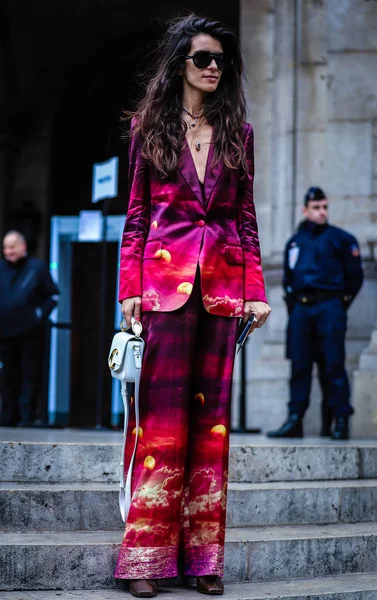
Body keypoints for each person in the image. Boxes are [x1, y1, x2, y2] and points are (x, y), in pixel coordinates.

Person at [116, 14, 271, 598]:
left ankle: (204, 560)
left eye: (220, 61)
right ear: (179, 62)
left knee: (211, 428)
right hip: (163, 285)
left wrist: (255, 291)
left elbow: (245, 220)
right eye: (202, 58)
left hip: (223, 289)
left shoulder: (239, 134)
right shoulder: (147, 128)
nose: (213, 68)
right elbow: (135, 219)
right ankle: (147, 560)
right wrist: (129, 288)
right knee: (159, 425)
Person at [267, 187, 363, 441]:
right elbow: (288, 279)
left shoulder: (342, 239)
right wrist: (296, 308)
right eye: (316, 208)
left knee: (333, 365)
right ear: (305, 210)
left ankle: (341, 420)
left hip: (330, 307)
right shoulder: (295, 242)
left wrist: (339, 306)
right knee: (299, 365)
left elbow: (355, 279)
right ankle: (295, 419)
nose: (322, 212)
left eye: (325, 207)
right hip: (301, 309)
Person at [0, 230, 59, 426]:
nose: (9, 251)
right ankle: (7, 416)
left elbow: (53, 296)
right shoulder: (1, 268)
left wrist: (38, 315)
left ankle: (27, 417)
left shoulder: (37, 268)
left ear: (22, 247)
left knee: (30, 374)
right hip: (4, 334)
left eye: (12, 247)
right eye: (6, 247)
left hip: (30, 333)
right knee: (7, 375)